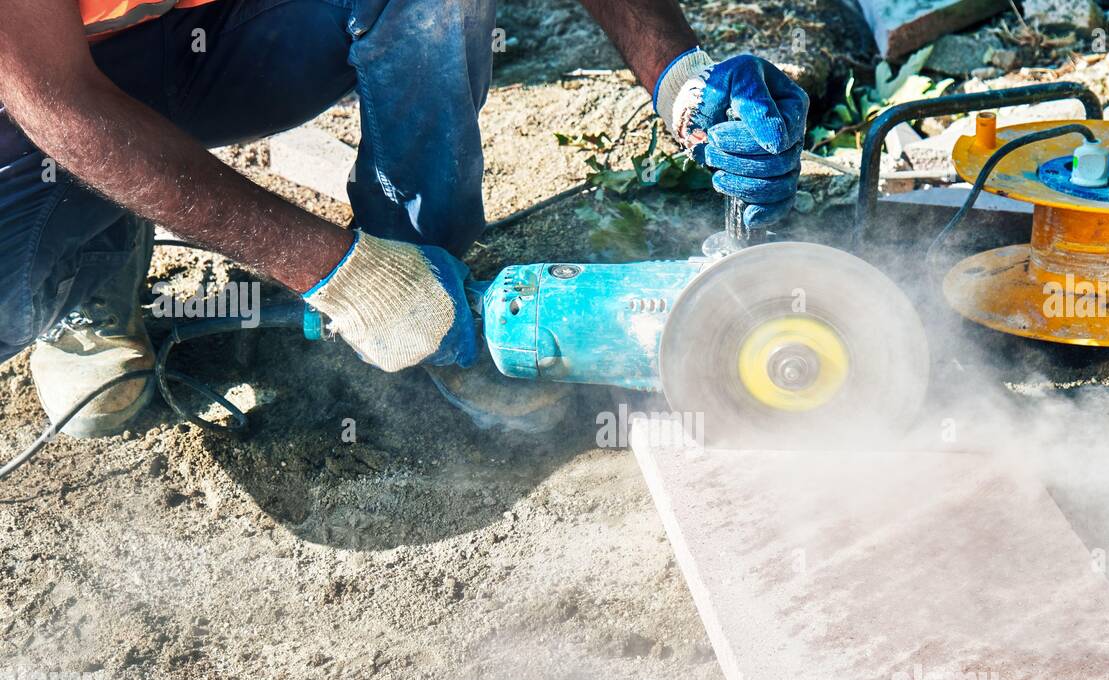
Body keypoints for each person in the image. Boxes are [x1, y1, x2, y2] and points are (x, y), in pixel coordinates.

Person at [0, 0, 809, 436]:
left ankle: (426, 278)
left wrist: (679, 74)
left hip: (218, 30)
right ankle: (85, 267)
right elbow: (56, 100)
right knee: (18, 277)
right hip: (30, 98)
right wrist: (335, 274)